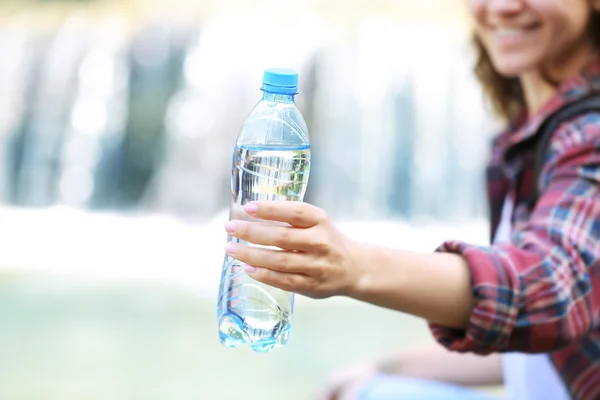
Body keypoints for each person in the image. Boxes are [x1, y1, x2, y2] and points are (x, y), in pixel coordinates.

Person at [223, 0, 600, 398]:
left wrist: (354, 267)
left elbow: (554, 290)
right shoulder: (529, 137)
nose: (503, 6)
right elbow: (534, 344)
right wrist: (384, 367)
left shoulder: (590, 133)